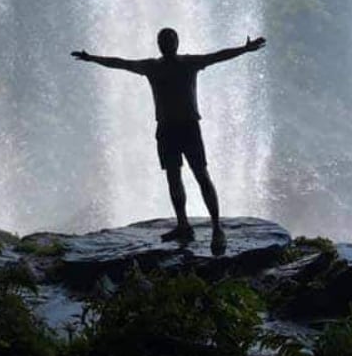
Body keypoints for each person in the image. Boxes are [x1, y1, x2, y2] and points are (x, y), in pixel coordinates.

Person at [71, 28, 266, 254]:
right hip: (166, 128)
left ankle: (216, 228)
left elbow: (218, 56)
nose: (166, 43)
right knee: (174, 177)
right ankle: (183, 225)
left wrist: (245, 49)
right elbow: (120, 63)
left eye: (170, 39)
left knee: (201, 175)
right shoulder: (153, 66)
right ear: (159, 44)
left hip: (188, 127)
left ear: (177, 42)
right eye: (163, 40)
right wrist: (91, 58)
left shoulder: (188, 63)